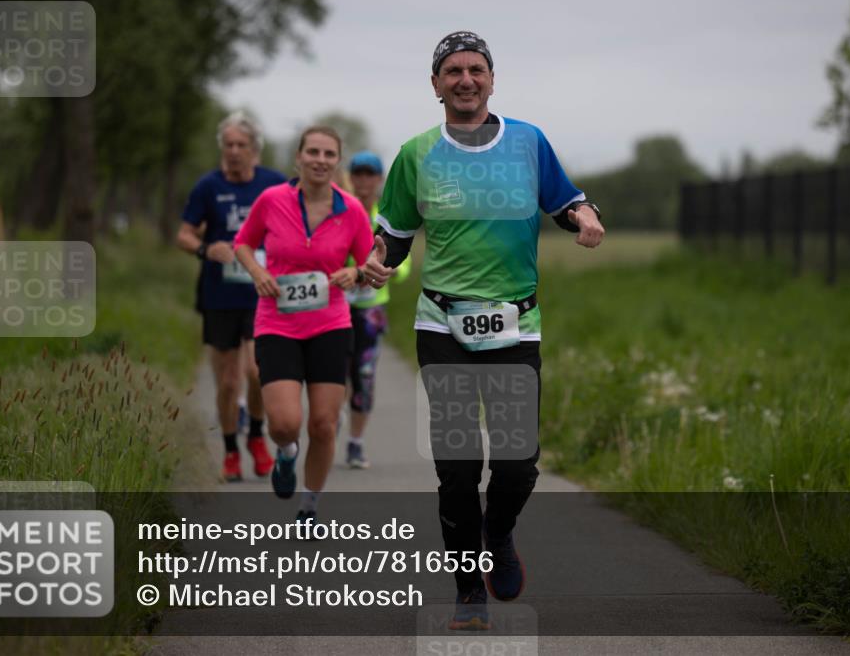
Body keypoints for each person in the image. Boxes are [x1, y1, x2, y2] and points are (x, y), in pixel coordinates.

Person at [361, 31, 604, 629]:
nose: (465, 80)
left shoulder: (528, 141)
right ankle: (468, 590)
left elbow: (564, 200)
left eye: (475, 69)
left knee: (519, 463)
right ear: (436, 84)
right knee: (458, 467)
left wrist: (585, 215)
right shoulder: (417, 152)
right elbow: (394, 232)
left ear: (492, 79)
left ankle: (499, 533)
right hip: (442, 323)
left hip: (517, 325)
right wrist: (377, 261)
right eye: (452, 71)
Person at [234, 126, 374, 524]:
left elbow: (370, 266)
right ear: (298, 158)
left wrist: (356, 274)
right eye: (312, 152)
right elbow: (243, 243)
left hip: (330, 323)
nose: (320, 160)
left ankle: (309, 505)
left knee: (324, 424)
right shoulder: (271, 200)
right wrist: (258, 271)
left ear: (337, 162)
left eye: (329, 154)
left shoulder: (352, 210)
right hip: (277, 322)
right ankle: (286, 452)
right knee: (285, 423)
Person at [177, 111, 285, 482]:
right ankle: (229, 451)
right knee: (226, 382)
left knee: (257, 373)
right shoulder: (208, 186)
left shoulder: (274, 184)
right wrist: (206, 249)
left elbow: (296, 223)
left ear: (254, 149)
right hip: (219, 294)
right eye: (229, 145)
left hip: (262, 293)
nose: (235, 151)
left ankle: (256, 436)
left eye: (242, 145)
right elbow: (184, 234)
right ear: (222, 148)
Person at [343, 151, 412, 469]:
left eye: (371, 174)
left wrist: (387, 271)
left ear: (380, 179)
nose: (364, 180)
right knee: (336, 376)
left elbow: (404, 263)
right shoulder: (337, 211)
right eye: (359, 173)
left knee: (364, 377)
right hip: (336, 308)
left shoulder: (386, 217)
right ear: (351, 176)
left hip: (370, 311)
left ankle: (356, 443)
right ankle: (333, 420)